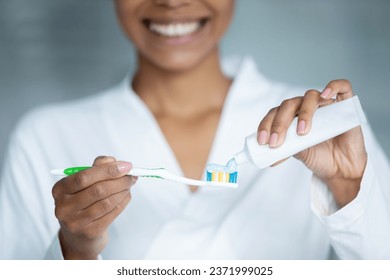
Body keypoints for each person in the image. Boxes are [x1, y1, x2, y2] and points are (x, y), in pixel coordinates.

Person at [1, 0, 389, 260]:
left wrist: (349, 187)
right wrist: (76, 249)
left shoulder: (322, 125)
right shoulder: (45, 136)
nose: (172, 2)